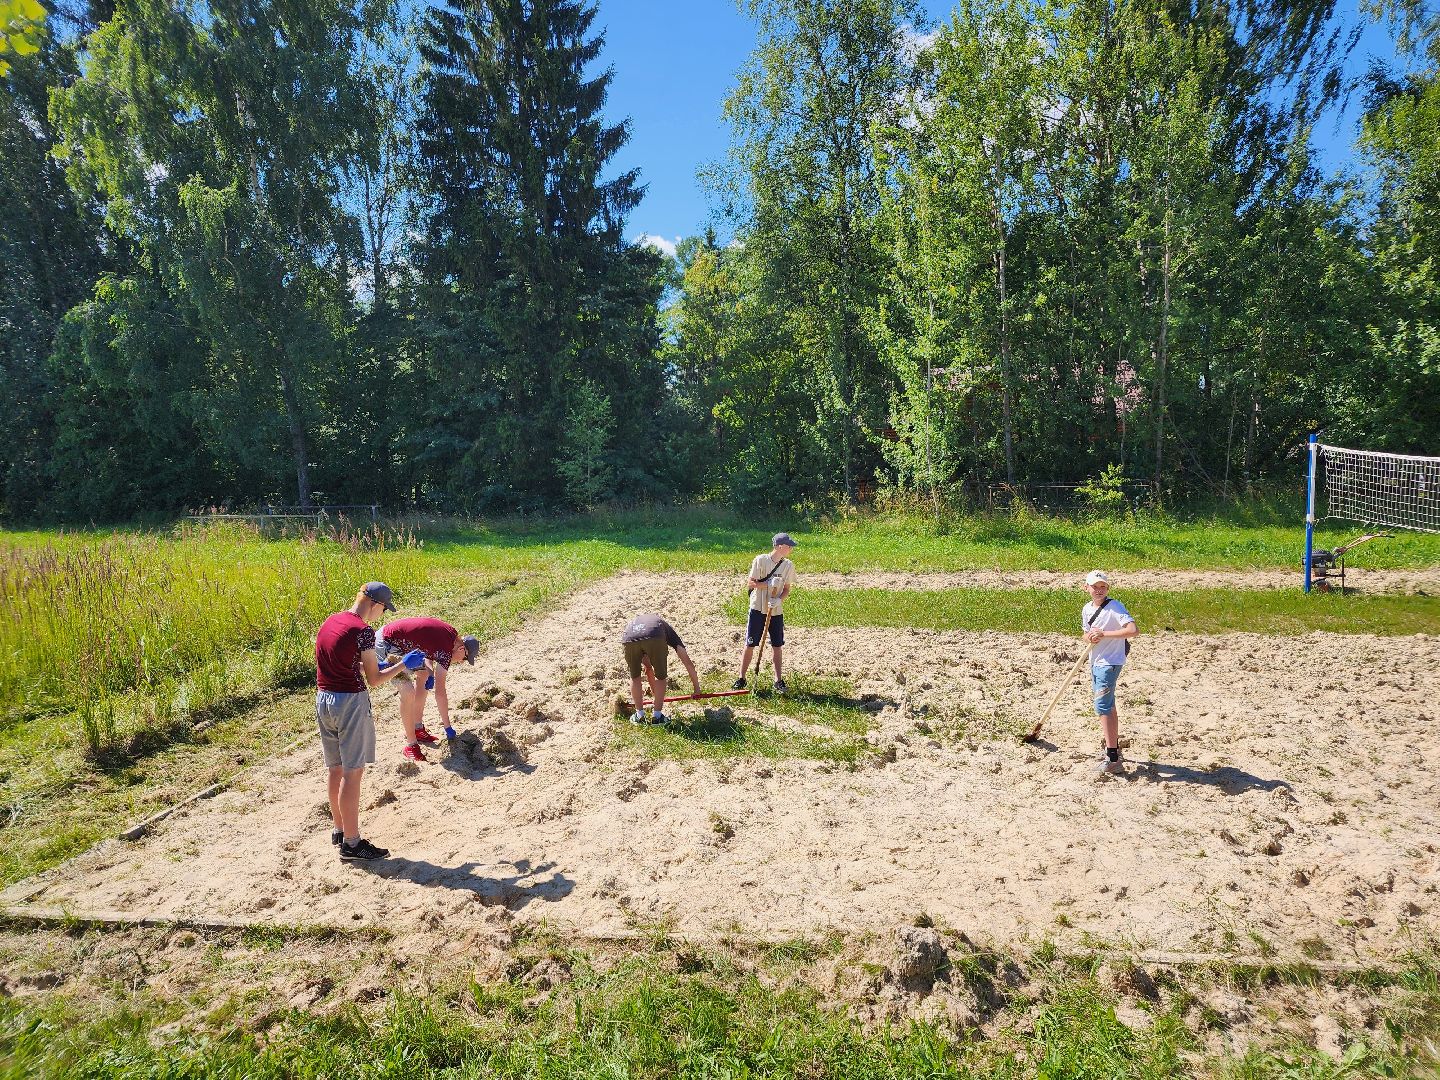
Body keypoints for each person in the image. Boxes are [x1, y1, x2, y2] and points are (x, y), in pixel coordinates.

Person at [315, 582, 425, 862]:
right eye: (383, 610)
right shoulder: (363, 632)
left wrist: (390, 664)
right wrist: (404, 666)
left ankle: (340, 830)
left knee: (335, 768)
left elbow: (349, 662)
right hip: (350, 703)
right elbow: (374, 680)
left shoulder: (332, 621)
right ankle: (352, 845)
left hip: (324, 699)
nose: (382, 616)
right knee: (353, 773)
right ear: (375, 605)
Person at [376, 616, 480, 762]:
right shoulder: (446, 652)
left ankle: (417, 728)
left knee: (424, 674)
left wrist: (430, 673)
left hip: (401, 644)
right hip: (386, 643)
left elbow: (427, 654)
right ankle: (411, 746)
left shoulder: (450, 636)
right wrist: (448, 727)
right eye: (464, 658)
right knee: (407, 691)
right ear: (462, 648)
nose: (461, 662)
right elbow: (440, 693)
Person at [1082, 570, 1138, 775]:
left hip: (1110, 662)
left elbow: (1133, 630)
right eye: (1094, 586)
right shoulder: (1087, 609)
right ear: (1086, 588)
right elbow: (1085, 634)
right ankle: (1111, 746)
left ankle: (1113, 757)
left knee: (1102, 706)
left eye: (1102, 586)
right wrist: (1090, 637)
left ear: (1108, 588)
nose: (1099, 590)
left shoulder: (1115, 607)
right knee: (1109, 705)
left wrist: (1105, 634)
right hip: (1095, 661)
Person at [732, 532, 798, 693]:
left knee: (777, 645)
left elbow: (787, 589)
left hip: (776, 611)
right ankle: (741, 678)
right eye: (788, 546)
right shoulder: (760, 560)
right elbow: (751, 583)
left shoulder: (788, 565)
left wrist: (779, 600)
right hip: (758, 608)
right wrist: (768, 584)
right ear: (779, 546)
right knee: (750, 643)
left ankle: (778, 681)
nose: (791, 549)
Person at [621, 613, 700, 725]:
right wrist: (697, 689)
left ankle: (639, 716)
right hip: (654, 634)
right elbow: (686, 661)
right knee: (661, 676)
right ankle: (657, 717)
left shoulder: (639, 626)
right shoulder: (667, 631)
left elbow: (648, 668)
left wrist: (655, 693)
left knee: (634, 676)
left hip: (628, 637)